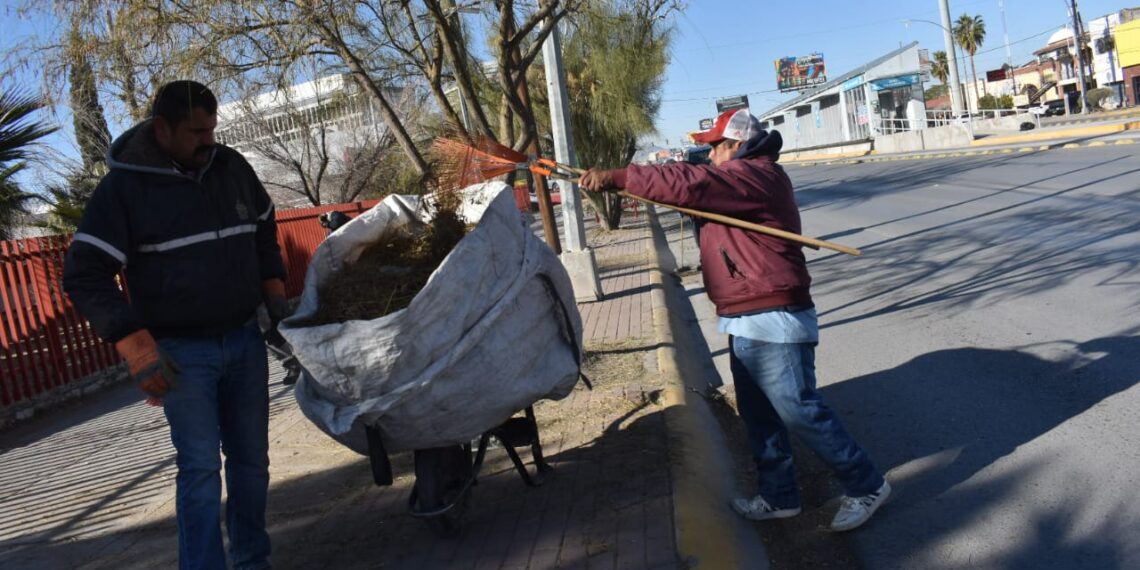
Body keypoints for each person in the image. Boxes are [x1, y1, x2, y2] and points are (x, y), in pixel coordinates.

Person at [579, 108, 890, 532]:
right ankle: (779, 496)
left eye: (714, 147)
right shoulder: (738, 177)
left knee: (798, 409)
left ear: (736, 144)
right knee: (759, 414)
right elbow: (689, 189)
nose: (709, 155)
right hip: (745, 315)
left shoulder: (755, 176)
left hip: (773, 314)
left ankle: (867, 484)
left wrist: (619, 177)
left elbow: (693, 183)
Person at [63, 80, 285, 569]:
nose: (209, 141)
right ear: (162, 129)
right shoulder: (124, 190)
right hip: (183, 356)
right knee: (201, 469)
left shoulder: (231, 168)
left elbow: (265, 226)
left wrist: (274, 291)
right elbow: (84, 275)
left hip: (244, 340)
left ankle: (253, 560)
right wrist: (137, 348)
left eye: (212, 129)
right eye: (196, 132)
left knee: (252, 462)